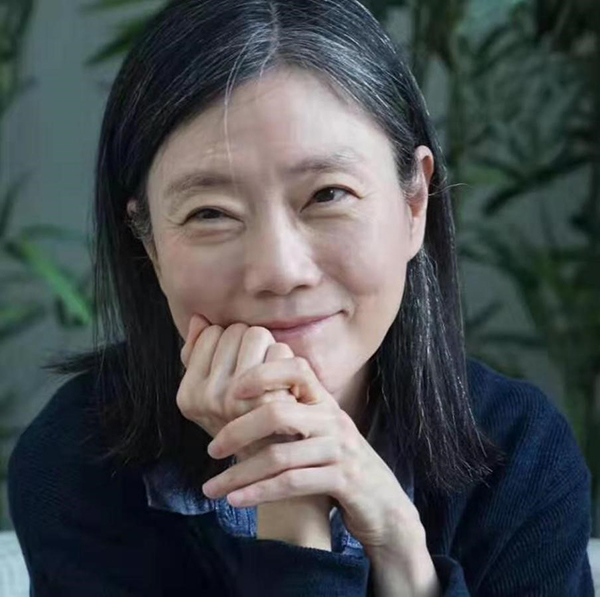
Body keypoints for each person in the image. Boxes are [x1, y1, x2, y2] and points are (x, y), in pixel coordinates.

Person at [8, 0, 594, 595]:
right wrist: (292, 505)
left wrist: (404, 557)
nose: (280, 271)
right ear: (149, 242)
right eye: (210, 213)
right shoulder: (77, 461)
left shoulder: (519, 452)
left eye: (328, 194)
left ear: (415, 203)